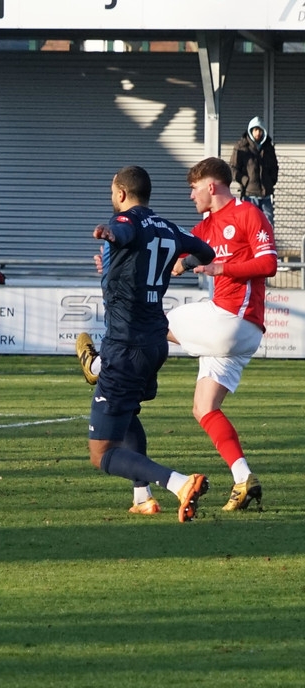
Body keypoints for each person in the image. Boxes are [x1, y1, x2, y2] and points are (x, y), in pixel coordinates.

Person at [77, 157, 277, 512]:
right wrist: (114, 264)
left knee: (152, 323)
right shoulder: (201, 228)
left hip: (234, 318)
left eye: (194, 188)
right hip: (230, 336)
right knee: (204, 408)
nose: (190, 195)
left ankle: (100, 364)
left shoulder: (247, 213)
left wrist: (221, 267)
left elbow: (269, 264)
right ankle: (243, 477)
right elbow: (153, 254)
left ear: (211, 186)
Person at [82, 165, 216, 522]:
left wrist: (109, 232)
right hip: (154, 343)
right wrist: (183, 265)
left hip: (125, 346)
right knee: (127, 415)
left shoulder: (125, 222)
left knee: (101, 453)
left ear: (122, 194)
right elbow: (206, 252)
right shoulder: (169, 227)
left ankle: (180, 483)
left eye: (113, 193)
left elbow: (123, 231)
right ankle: (143, 497)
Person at [229, 116, 279, 227]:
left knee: (268, 225)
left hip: (266, 195)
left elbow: (274, 167)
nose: (258, 133)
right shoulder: (241, 147)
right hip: (250, 195)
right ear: (251, 130)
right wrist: (245, 181)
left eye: (260, 130)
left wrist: (271, 181)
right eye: (255, 130)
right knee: (250, 225)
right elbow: (233, 168)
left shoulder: (268, 147)